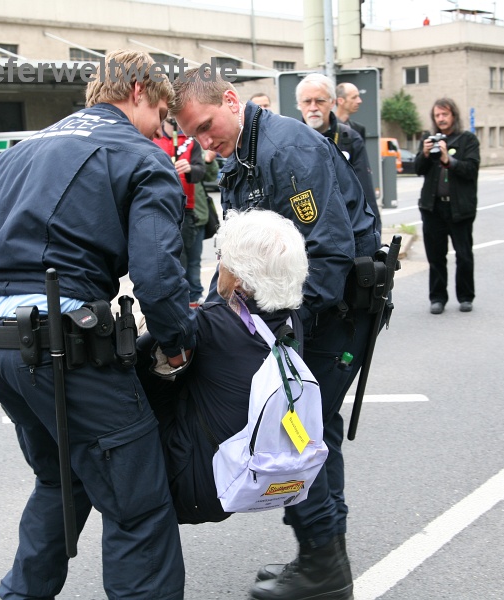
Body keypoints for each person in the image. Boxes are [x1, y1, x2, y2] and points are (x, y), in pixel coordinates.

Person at [0, 49, 196, 600]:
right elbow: (157, 275)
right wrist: (177, 344)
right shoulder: (142, 157)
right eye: (160, 114)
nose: (160, 129)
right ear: (138, 92)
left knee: (61, 480)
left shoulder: (20, 153)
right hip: (67, 348)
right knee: (137, 505)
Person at [173, 67, 381, 600]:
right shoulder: (240, 154)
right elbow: (240, 253)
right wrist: (217, 310)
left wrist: (277, 331)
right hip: (303, 309)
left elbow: (328, 254)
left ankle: (324, 565)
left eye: (205, 126)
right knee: (315, 429)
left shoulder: (287, 151)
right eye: (193, 135)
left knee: (297, 431)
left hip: (335, 311)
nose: (203, 142)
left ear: (231, 100)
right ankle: (321, 557)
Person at [138, 208, 308, 524]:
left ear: (240, 277)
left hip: (199, 485)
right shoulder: (291, 320)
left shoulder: (210, 326)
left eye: (222, 257)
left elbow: (145, 348)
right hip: (251, 478)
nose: (218, 265)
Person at [415, 97, 480, 314]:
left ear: (454, 116)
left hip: (459, 208)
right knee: (435, 257)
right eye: (437, 115)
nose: (441, 119)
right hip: (432, 209)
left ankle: (466, 297)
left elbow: (471, 170)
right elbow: (418, 169)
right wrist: (425, 154)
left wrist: (447, 159)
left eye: (445, 114)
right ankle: (437, 298)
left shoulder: (468, 140)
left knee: (464, 255)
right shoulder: (429, 139)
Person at [297, 73, 380, 231]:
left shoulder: (350, 138)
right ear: (299, 104)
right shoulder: (289, 141)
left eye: (320, 101)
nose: (313, 107)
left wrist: (373, 234)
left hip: (345, 228)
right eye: (307, 101)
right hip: (305, 231)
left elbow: (365, 193)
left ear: (332, 102)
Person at [154, 117, 205, 304]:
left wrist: (190, 168)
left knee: (191, 257)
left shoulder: (191, 140)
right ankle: (177, 299)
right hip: (161, 208)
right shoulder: (153, 138)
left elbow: (201, 172)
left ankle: (194, 298)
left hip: (186, 208)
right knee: (172, 259)